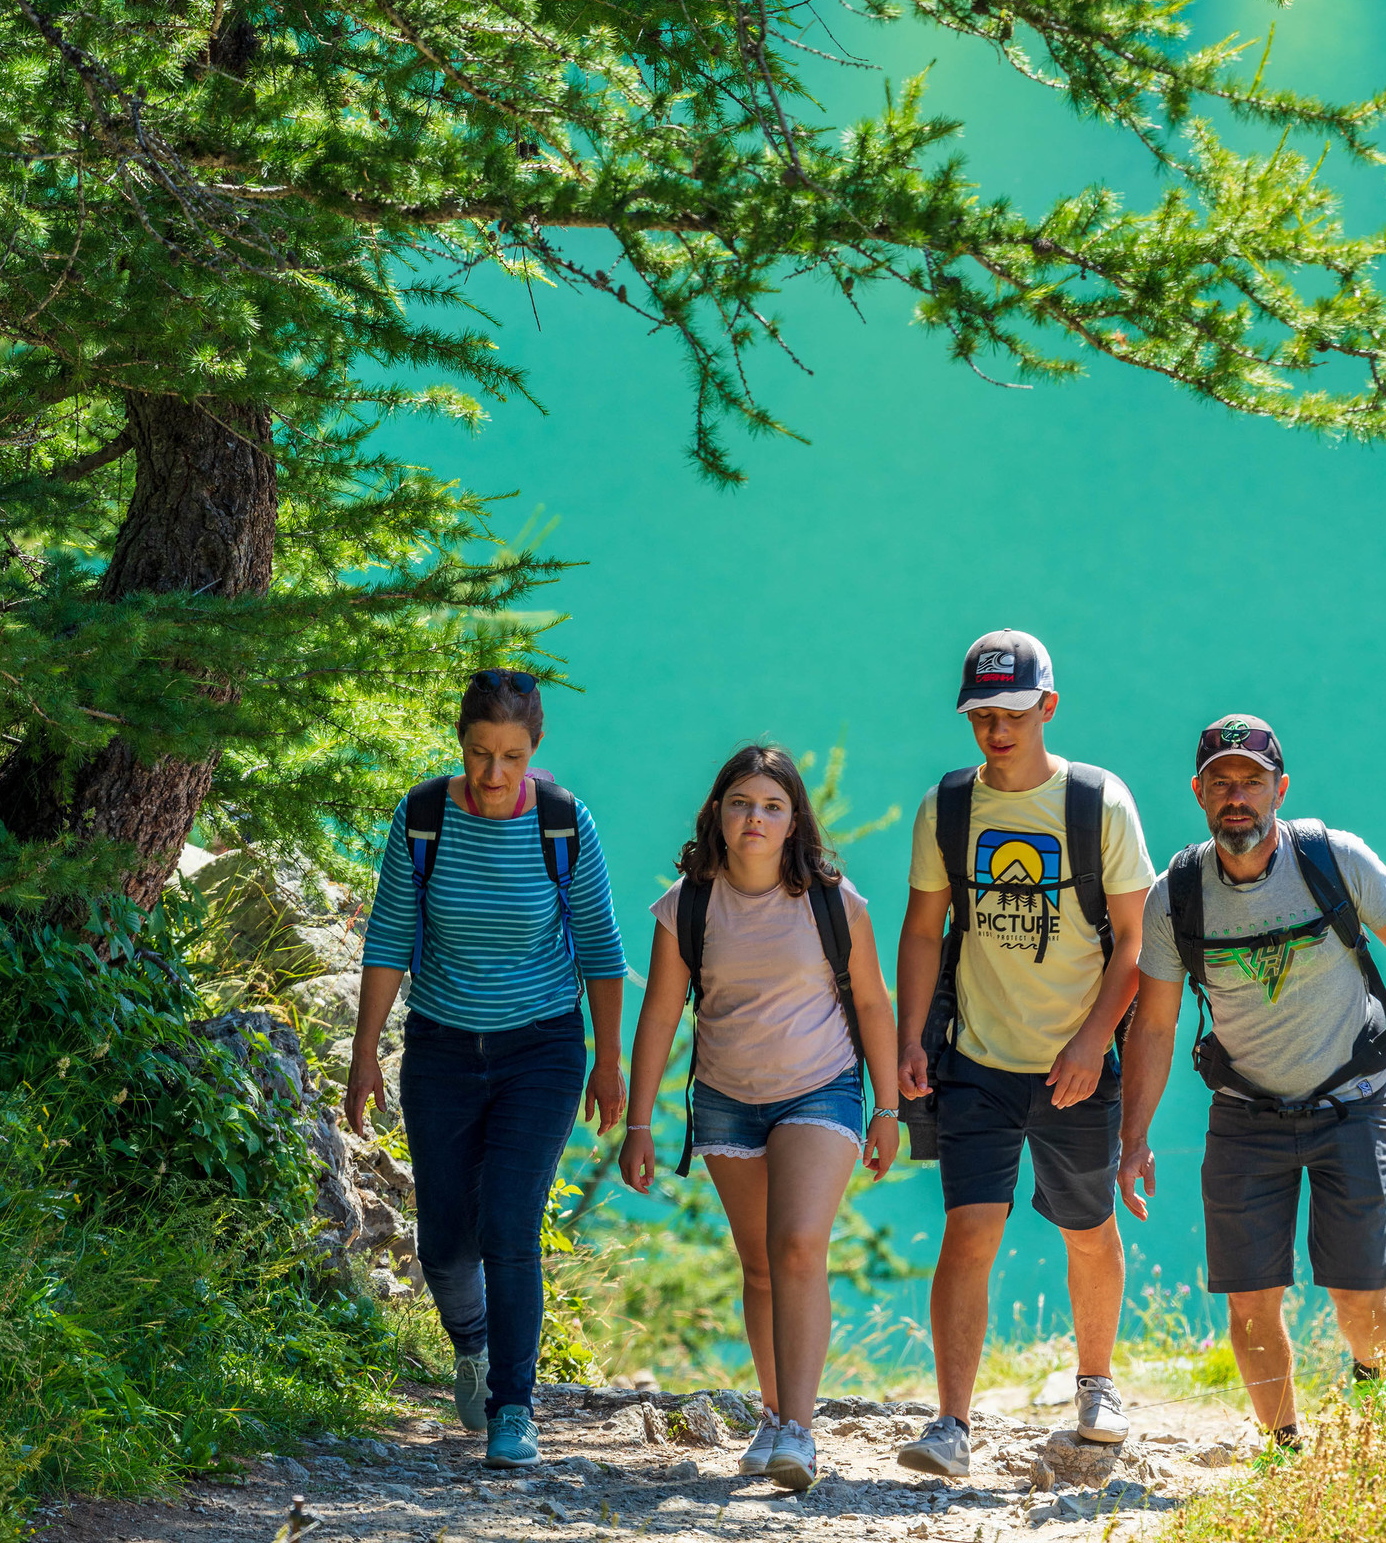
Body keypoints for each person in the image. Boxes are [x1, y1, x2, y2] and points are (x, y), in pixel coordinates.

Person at [1119, 714, 1386, 1444]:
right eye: (1221, 783)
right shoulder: (1175, 896)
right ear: (1199, 793)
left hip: (1352, 1101)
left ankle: (1373, 1382)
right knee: (1249, 1300)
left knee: (1358, 1292)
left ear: (1280, 789)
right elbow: (1153, 1024)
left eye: (1251, 782)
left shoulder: (1334, 859)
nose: (1236, 797)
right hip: (1245, 1113)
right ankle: (1285, 1449)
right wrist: (1134, 1136)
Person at [344, 669, 627, 1469]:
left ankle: (514, 1405)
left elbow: (602, 952)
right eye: (478, 753)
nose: (493, 774)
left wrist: (610, 1062)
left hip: (541, 1046)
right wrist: (365, 1052)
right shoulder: (425, 817)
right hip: (440, 1044)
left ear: (535, 749)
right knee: (443, 1243)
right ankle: (469, 1344)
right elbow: (390, 937)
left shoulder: (565, 824)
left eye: (510, 756)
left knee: (508, 1221)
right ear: (460, 744)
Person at [894, 629, 1154, 1478]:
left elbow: (1134, 943)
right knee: (970, 1229)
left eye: (1011, 712)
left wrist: (1090, 1040)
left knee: (1086, 1225)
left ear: (1046, 706)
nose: (995, 730)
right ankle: (951, 1424)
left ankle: (1096, 1383)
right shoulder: (950, 806)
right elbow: (924, 928)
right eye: (981, 714)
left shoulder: (1098, 803)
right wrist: (908, 1043)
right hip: (976, 1058)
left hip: (1074, 1062)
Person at [619, 745, 901, 1493]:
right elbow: (658, 1011)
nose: (756, 817)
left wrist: (890, 1108)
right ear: (717, 812)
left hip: (822, 1086)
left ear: (793, 820)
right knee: (759, 1262)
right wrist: (639, 1123)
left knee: (799, 1243)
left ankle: (800, 1432)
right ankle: (773, 1415)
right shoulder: (689, 902)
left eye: (773, 805)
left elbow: (872, 1001)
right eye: (742, 801)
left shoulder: (833, 900)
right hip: (724, 1096)